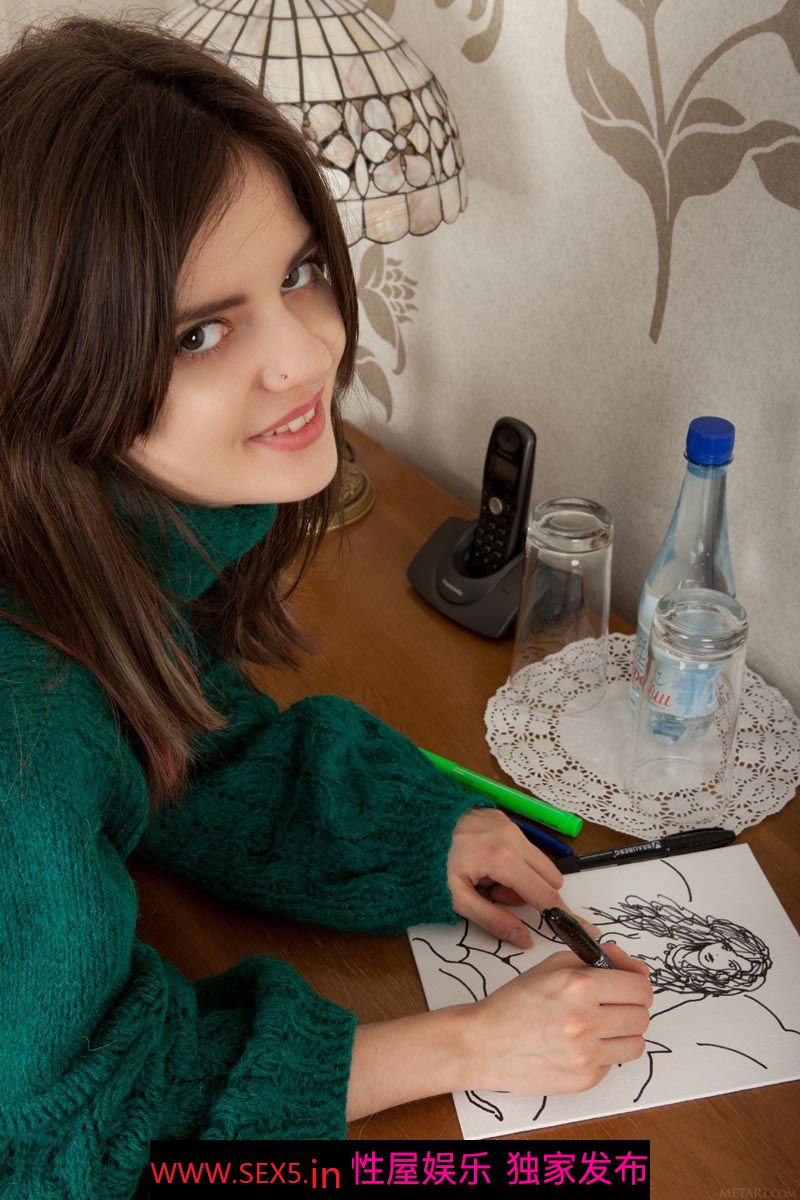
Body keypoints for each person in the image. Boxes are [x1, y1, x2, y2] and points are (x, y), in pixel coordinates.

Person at [0, 13, 652, 1196]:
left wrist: (410, 835)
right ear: (48, 365)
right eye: (200, 332)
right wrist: (466, 1047)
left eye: (298, 271)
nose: (304, 354)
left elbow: (177, 722)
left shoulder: (100, 538)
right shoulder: (23, 731)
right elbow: (66, 1140)